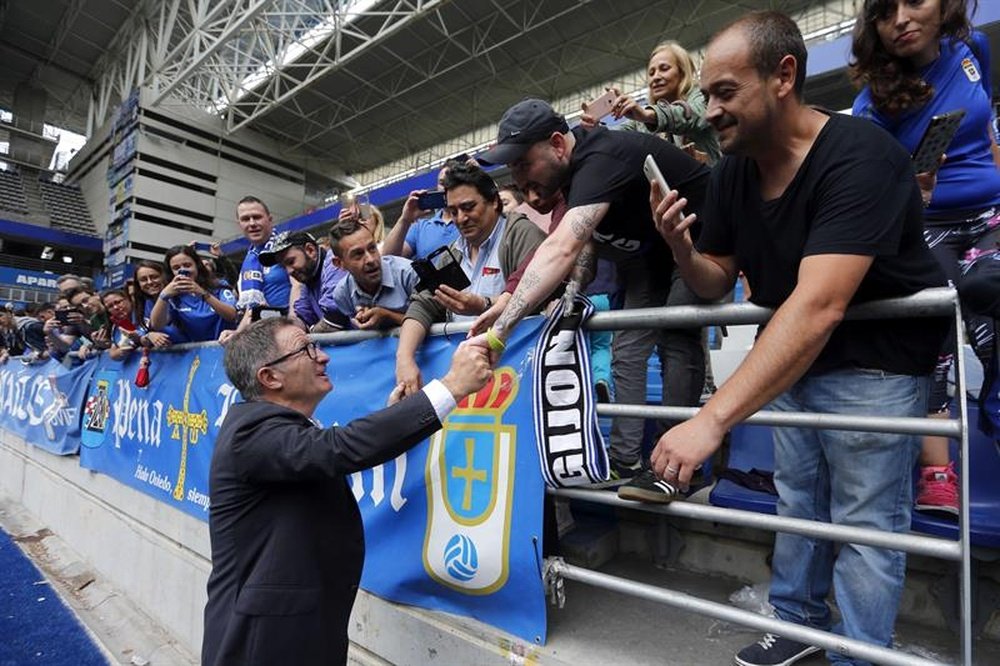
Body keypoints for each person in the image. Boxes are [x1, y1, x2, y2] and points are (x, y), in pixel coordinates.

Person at [609, 12, 946, 666]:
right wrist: (681, 247)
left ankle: (856, 656)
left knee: (866, 528)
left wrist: (712, 420)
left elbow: (819, 305)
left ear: (784, 76)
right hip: (794, 368)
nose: (711, 110)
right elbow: (714, 283)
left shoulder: (862, 156)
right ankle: (797, 631)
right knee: (798, 509)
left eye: (725, 93)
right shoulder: (735, 170)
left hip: (874, 368)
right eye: (706, 95)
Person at [202, 317, 492, 666]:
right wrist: (451, 386)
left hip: (300, 635)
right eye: (307, 349)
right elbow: (340, 449)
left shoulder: (275, 432)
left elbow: (329, 454)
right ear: (270, 377)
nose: (322, 357)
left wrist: (398, 416)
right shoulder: (250, 433)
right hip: (260, 645)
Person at [474, 97, 711, 480]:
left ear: (556, 144)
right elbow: (579, 246)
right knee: (627, 350)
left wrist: (498, 334)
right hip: (650, 257)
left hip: (700, 239)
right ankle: (626, 459)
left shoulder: (601, 154)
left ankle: (675, 468)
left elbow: (561, 247)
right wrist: (531, 296)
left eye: (521, 163)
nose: (518, 180)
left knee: (678, 335)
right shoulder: (565, 181)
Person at [850, 0, 1000, 516]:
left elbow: (987, 130)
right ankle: (936, 472)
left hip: (990, 212)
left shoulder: (970, 49)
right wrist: (912, 192)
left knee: (992, 305)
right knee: (933, 328)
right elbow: (876, 197)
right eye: (886, 12)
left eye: (915, 2)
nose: (902, 19)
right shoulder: (871, 104)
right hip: (927, 223)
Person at [395, 162, 546, 397]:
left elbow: (538, 293)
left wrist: (483, 305)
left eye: (468, 207)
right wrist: (404, 359)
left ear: (494, 202)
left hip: (520, 377)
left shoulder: (520, 234)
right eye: (453, 211)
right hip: (470, 381)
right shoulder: (454, 251)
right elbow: (423, 303)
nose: (460, 218)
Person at [581, 40, 721, 165]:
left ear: (682, 72)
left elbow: (691, 115)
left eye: (664, 69)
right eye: (651, 73)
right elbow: (615, 138)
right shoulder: (641, 121)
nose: (656, 77)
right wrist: (595, 128)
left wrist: (648, 115)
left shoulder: (702, 97)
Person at [329, 218, 419, 330]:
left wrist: (388, 316)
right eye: (358, 254)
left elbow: (439, 320)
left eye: (372, 248)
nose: (370, 259)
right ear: (339, 263)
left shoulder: (409, 274)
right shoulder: (343, 294)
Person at [258, 231, 350, 332]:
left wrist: (310, 333)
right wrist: (275, 326)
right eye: (283, 267)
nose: (289, 271)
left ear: (310, 250)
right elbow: (303, 315)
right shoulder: (309, 279)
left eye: (291, 261)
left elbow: (334, 316)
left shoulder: (334, 262)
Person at [150, 245, 238, 342]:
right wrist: (163, 296)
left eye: (187, 265)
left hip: (226, 345)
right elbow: (157, 325)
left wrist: (203, 294)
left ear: (197, 265)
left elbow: (232, 315)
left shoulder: (219, 285)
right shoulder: (172, 295)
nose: (182, 270)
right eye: (176, 268)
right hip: (195, 353)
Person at [382, 166, 460, 259]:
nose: (445, 188)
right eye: (441, 183)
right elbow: (388, 258)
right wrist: (405, 220)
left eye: (450, 183)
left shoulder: (470, 220)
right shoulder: (420, 227)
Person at [234, 195, 292, 312]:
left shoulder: (287, 246)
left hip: (288, 324)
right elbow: (249, 308)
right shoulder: (249, 260)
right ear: (239, 225)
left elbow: (300, 288)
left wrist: (293, 321)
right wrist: (238, 331)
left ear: (270, 220)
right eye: (245, 219)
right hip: (258, 326)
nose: (252, 223)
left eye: (257, 217)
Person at [101, 289, 171, 360]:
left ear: (128, 299)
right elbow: (113, 353)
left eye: (118, 302)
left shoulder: (147, 309)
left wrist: (145, 338)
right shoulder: (116, 327)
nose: (115, 307)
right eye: (110, 306)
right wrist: (121, 351)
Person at [131, 259, 188, 343]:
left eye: (154, 277)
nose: (149, 282)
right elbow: (140, 333)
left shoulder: (181, 296)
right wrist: (149, 336)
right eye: (143, 279)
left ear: (164, 276)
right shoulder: (142, 306)